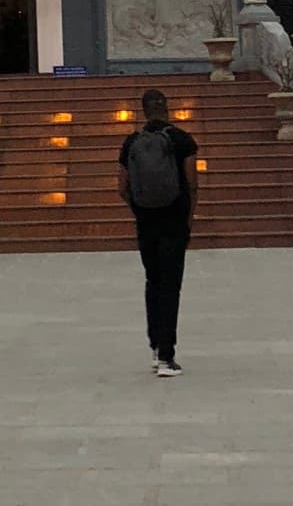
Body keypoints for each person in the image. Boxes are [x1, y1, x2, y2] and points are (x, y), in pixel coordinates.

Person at [117, 86, 199, 376]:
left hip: (146, 222)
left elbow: (121, 187)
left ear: (143, 110)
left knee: (153, 282)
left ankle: (155, 348)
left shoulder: (131, 142)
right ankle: (167, 355)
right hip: (175, 221)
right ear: (167, 108)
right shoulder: (181, 140)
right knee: (170, 285)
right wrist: (188, 217)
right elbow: (191, 184)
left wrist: (138, 209)